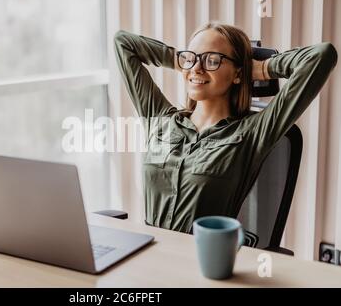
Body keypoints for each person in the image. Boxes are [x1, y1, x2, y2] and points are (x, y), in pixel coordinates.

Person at [114, 22, 338, 233]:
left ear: (238, 73)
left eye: (212, 60)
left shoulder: (253, 132)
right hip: (151, 255)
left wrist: (260, 69)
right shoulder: (161, 119)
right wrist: (183, 62)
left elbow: (321, 56)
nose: (198, 68)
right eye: (192, 57)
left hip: (202, 263)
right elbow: (123, 43)